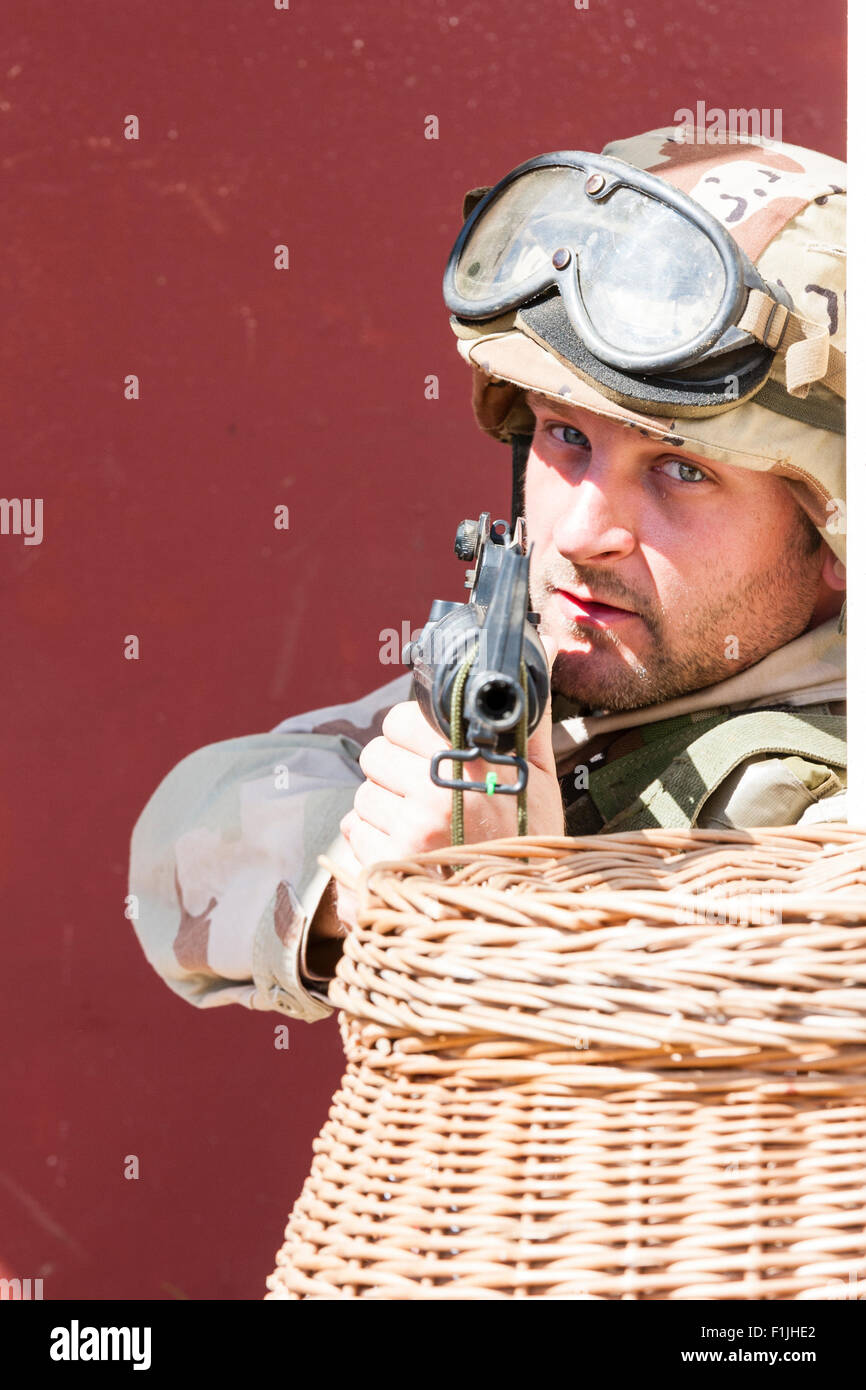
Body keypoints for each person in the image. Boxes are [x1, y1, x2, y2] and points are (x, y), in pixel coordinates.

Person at [128, 124, 846, 1024]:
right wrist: (361, 886)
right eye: (567, 437)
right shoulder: (566, 681)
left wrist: (514, 923)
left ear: (832, 533)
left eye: (682, 469)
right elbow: (186, 834)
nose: (582, 533)